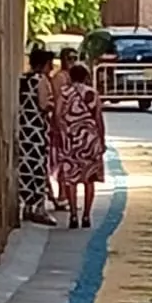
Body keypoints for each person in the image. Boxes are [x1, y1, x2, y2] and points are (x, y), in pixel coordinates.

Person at [55, 64, 106, 229]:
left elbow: (57, 115)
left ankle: (73, 215)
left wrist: (61, 133)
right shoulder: (92, 93)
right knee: (89, 180)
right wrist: (102, 140)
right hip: (90, 140)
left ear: (70, 77)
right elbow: (98, 118)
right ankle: (86, 216)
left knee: (71, 179)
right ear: (85, 76)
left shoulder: (64, 93)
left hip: (71, 139)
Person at [17, 48, 57, 225]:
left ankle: (26, 206)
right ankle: (38, 208)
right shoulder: (40, 80)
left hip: (24, 126)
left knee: (26, 166)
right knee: (38, 166)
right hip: (36, 128)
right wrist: (52, 104)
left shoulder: (24, 79)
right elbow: (43, 104)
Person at [48, 48, 80, 212]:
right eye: (70, 58)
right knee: (62, 160)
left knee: (70, 161)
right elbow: (57, 102)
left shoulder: (72, 77)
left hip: (72, 124)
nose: (73, 61)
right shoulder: (60, 78)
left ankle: (65, 195)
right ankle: (62, 195)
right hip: (61, 125)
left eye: (76, 58)